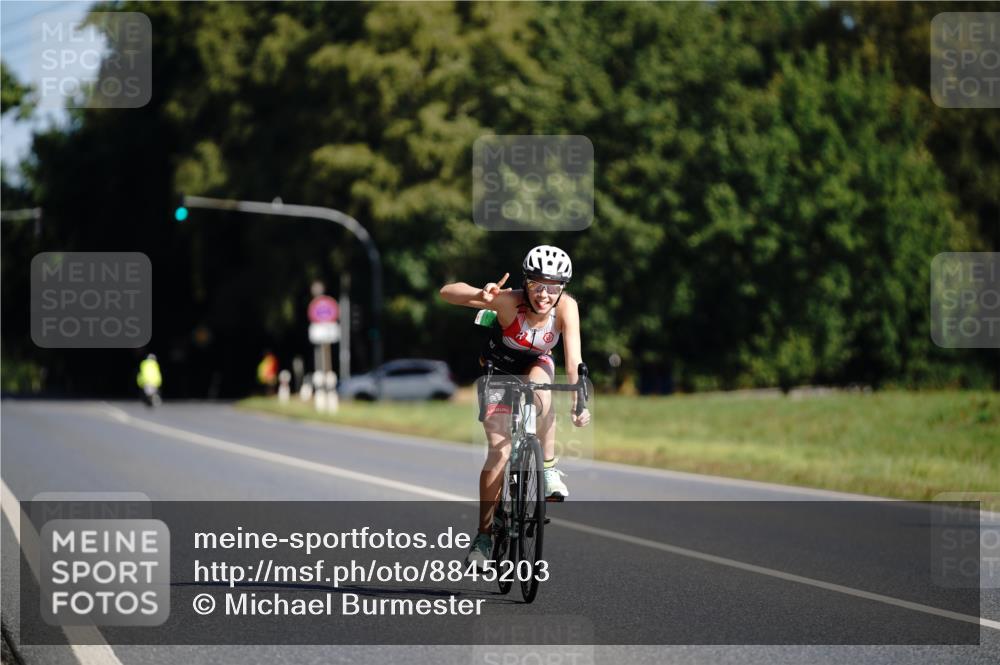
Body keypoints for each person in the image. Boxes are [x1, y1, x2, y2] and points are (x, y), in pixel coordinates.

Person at [439, 245, 591, 568]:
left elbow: (574, 360)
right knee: (500, 452)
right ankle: (482, 536)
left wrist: (580, 400)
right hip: (500, 368)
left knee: (541, 391)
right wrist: (482, 293)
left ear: (563, 287)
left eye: (553, 287)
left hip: (537, 363)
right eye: (537, 285)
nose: (544, 294)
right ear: (526, 283)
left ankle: (547, 468)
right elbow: (447, 292)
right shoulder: (509, 302)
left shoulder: (567, 308)